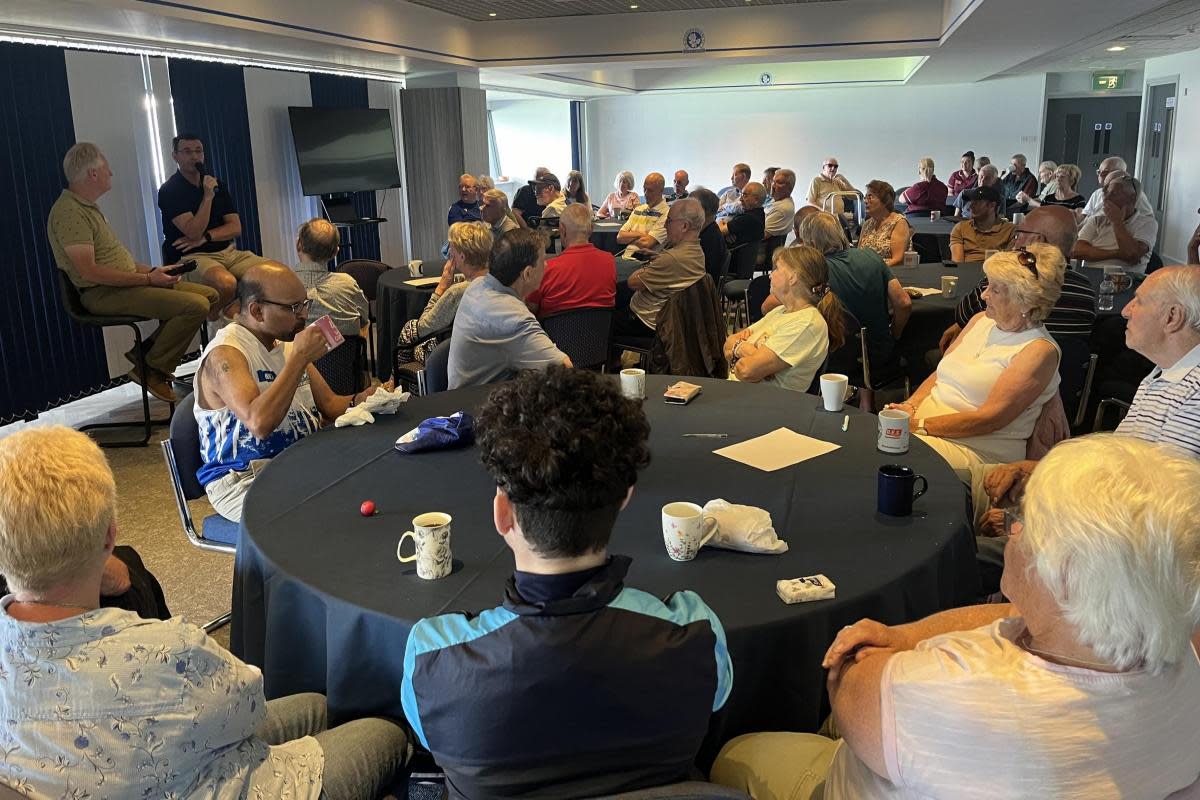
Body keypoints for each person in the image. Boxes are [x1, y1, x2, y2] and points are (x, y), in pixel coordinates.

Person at [711, 434, 1200, 800]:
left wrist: (888, 642)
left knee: (739, 753)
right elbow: (1017, 612)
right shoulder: (1180, 659)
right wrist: (905, 635)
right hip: (911, 735)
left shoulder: (951, 692)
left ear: (1066, 575)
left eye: (1028, 525)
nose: (1013, 534)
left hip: (857, 762)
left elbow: (848, 674)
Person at [0, 426, 409, 799]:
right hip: (234, 784)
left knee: (318, 706)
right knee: (384, 731)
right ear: (110, 536)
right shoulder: (164, 651)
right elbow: (247, 704)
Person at [402, 366, 732, 798]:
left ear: (502, 514)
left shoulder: (430, 657)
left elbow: (431, 741)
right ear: (625, 496)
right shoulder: (695, 632)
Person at [972, 266, 1200, 593]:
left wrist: (1026, 525)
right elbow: (1117, 468)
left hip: (1114, 563)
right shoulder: (1162, 375)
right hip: (1091, 521)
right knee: (958, 491)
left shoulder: (1194, 395)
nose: (1125, 310)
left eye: (1138, 301)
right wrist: (1041, 471)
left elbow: (1151, 512)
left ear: (1172, 317)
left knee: (954, 556)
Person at [194, 262, 376, 522]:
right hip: (245, 480)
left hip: (299, 464)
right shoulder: (226, 354)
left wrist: (366, 398)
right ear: (257, 310)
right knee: (332, 514)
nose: (304, 314)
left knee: (375, 473)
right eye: (294, 308)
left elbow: (331, 405)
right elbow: (258, 423)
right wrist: (298, 361)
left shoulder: (285, 344)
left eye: (305, 304)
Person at [48, 142, 216, 404]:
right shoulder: (70, 213)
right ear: (93, 174)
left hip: (125, 285)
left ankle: (145, 353)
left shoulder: (87, 207)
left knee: (211, 296)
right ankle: (152, 369)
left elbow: (115, 261)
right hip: (101, 293)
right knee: (194, 306)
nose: (111, 173)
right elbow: (89, 271)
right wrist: (149, 279)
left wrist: (154, 271)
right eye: (106, 168)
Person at [887, 245, 1065, 478]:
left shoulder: (1038, 350)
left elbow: (990, 419)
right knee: (872, 443)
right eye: (987, 286)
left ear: (1026, 302)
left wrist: (919, 425)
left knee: (887, 456)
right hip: (929, 429)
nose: (984, 295)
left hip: (976, 451)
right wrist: (909, 407)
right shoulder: (981, 320)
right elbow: (940, 374)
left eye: (996, 290)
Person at [939, 205, 1095, 351]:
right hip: (1068, 377)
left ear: (1037, 240)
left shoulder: (1006, 280)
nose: (1015, 240)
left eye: (1019, 234)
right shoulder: (1086, 290)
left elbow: (962, 315)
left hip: (1001, 369)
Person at [157, 133, 268, 315]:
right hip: (191, 257)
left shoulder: (217, 184)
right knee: (226, 283)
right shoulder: (170, 190)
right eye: (187, 152)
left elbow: (235, 227)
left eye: (198, 151)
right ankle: (214, 320)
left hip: (227, 252)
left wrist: (206, 237)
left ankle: (236, 312)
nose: (194, 156)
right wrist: (207, 197)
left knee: (274, 274)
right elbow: (193, 232)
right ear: (175, 156)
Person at [447, 228, 571, 388]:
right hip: (481, 407)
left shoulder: (477, 286)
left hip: (460, 397)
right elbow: (565, 372)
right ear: (527, 273)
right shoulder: (513, 319)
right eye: (543, 260)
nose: (546, 265)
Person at [797, 211, 911, 368]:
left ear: (810, 242)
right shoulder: (872, 256)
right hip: (880, 355)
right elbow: (904, 302)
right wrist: (894, 334)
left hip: (836, 358)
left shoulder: (816, 272)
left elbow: (770, 305)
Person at [725, 245, 845, 392]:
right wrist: (747, 350)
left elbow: (746, 371)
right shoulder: (781, 311)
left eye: (776, 269)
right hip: (741, 397)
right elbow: (727, 344)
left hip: (765, 408)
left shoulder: (807, 323)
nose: (770, 275)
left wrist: (739, 349)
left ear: (792, 277)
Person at [395, 221, 493, 367]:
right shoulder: (496, 282)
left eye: (451, 248)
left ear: (462, 256)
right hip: (487, 352)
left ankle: (403, 385)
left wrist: (442, 287)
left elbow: (423, 328)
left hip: (455, 356)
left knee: (410, 330)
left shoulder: (458, 292)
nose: (449, 252)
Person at [614, 198, 707, 338]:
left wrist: (651, 266)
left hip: (647, 321)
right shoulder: (697, 252)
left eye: (669, 220)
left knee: (603, 317)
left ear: (684, 226)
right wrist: (659, 257)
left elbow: (633, 282)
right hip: (670, 317)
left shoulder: (672, 259)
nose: (664, 226)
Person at [528, 204, 616, 318]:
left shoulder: (546, 269)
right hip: (599, 334)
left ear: (562, 230)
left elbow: (530, 310)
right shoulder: (609, 261)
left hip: (551, 334)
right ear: (591, 229)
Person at [292, 218, 368, 338]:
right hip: (346, 356)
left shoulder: (282, 287)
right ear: (335, 252)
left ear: (298, 245)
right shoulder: (348, 283)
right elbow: (364, 318)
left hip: (299, 355)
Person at [1074, 174, 1158, 273]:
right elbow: (1077, 251)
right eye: (1106, 193)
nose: (1106, 198)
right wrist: (1117, 254)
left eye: (1113, 194)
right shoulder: (1097, 219)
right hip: (1090, 276)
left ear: (1132, 198)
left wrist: (1116, 221)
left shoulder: (1147, 223)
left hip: (1124, 281)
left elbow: (1131, 254)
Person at [949, 185, 1015, 262]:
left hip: (997, 272)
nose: (970, 206)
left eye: (976, 203)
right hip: (966, 272)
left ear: (992, 206)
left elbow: (1010, 263)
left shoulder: (1010, 230)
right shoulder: (961, 228)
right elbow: (958, 264)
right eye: (971, 202)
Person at [616, 172, 670, 260]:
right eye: (644, 189)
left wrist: (630, 236)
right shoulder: (638, 209)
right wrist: (642, 234)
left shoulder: (667, 213)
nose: (646, 193)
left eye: (650, 190)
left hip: (642, 262)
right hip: (625, 257)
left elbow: (646, 243)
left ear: (661, 190)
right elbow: (619, 237)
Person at [1080, 156, 1155, 218]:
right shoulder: (1097, 193)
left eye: (1105, 172)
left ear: (1120, 173)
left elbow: (1149, 218)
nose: (1100, 175)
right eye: (1099, 172)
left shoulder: (1133, 194)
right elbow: (1085, 216)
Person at [857, 180, 910, 267]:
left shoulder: (898, 222)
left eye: (870, 197)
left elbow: (898, 259)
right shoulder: (867, 224)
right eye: (865, 197)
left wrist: (872, 270)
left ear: (885, 201)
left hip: (888, 274)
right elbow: (858, 254)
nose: (866, 201)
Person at [691, 187, 729, 283]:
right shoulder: (708, 230)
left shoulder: (709, 239)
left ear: (704, 210)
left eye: (690, 206)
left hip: (698, 290)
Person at [719, 182, 767, 249]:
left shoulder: (747, 219)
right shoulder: (760, 214)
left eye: (745, 195)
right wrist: (728, 232)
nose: (741, 199)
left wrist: (721, 222)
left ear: (756, 200)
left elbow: (719, 231)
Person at [764, 168, 797, 238]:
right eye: (773, 181)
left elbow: (762, 235)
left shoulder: (782, 208)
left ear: (789, 187)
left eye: (779, 183)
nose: (773, 186)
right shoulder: (775, 200)